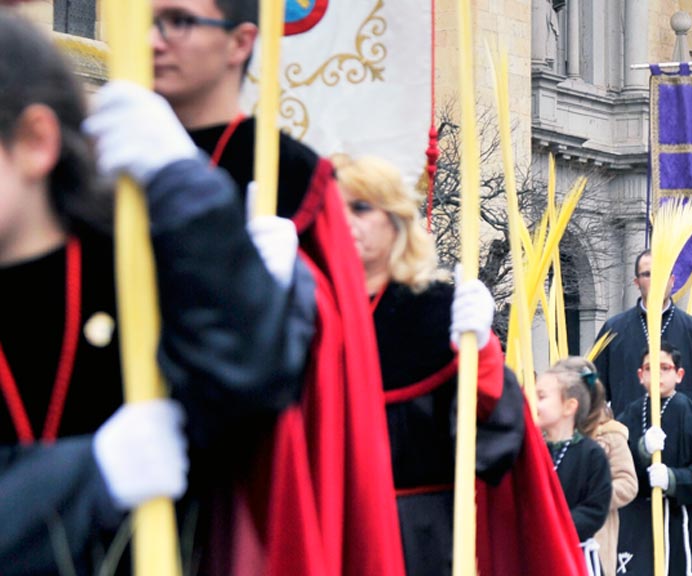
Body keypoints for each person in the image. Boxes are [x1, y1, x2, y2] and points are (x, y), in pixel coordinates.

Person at [0, 9, 309, 572]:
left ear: (35, 142)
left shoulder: (141, 269)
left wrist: (198, 211)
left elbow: (249, 381)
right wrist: (86, 476)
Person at [149, 0, 407, 573]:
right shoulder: (108, 159)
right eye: (147, 20)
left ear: (240, 42)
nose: (155, 39)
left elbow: (336, 350)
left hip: (238, 474)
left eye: (178, 21)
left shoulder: (291, 174)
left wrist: (294, 286)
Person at [336, 155, 586, 576]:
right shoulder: (311, 313)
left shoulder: (437, 313)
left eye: (360, 207)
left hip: (423, 536)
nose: (344, 221)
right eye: (332, 209)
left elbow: (494, 436)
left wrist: (483, 352)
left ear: (396, 220)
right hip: (336, 527)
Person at [594, 250, 692, 447]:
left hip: (684, 446)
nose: (656, 280)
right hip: (628, 445)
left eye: (662, 273)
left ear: (672, 280)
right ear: (637, 282)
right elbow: (596, 394)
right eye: (648, 274)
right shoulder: (614, 330)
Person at [617, 345, 692, 576]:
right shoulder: (629, 415)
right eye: (649, 368)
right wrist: (642, 450)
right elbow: (616, 462)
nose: (656, 374)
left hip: (683, 518)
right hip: (638, 520)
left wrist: (673, 479)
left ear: (679, 374)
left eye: (664, 368)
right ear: (640, 375)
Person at [536, 358, 613, 574]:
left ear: (569, 406)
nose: (534, 403)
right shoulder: (532, 450)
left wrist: (554, 524)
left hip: (574, 557)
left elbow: (595, 509)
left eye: (541, 397)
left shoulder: (591, 454)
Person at [574, 361, 637, 576]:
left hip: (596, 535)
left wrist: (593, 498)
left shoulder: (609, 435)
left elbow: (627, 483)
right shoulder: (551, 436)